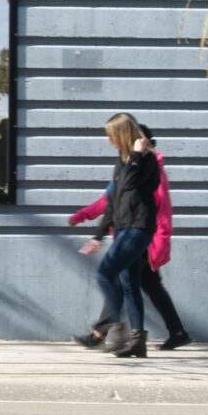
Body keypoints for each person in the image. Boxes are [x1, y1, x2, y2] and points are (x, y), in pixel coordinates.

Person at [71, 120, 191, 353]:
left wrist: (161, 242)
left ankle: (102, 333)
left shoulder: (149, 167)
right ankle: (176, 332)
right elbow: (111, 200)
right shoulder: (126, 164)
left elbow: (162, 209)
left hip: (143, 237)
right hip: (131, 233)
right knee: (146, 285)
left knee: (116, 279)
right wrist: (83, 215)